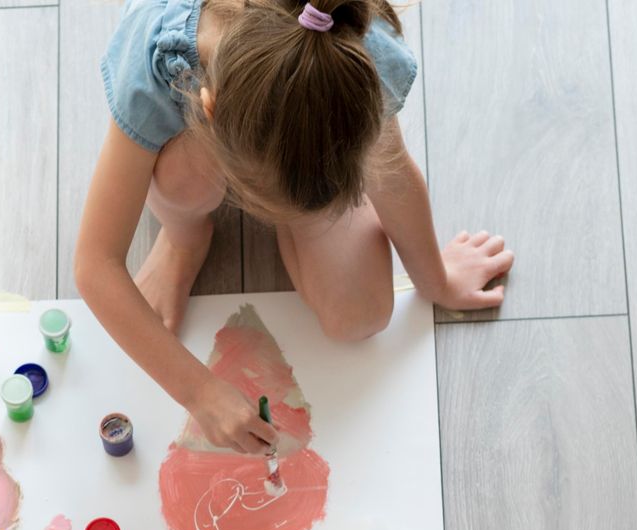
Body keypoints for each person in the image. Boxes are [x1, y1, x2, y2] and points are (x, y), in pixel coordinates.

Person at [76, 0, 515, 453]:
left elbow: (394, 171)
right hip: (191, 137)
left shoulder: (347, 51)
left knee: (360, 316)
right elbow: (95, 263)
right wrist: (199, 392)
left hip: (289, 110)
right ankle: (184, 238)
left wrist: (436, 281)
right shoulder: (156, 54)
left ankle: (300, 202)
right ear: (211, 110)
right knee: (179, 181)